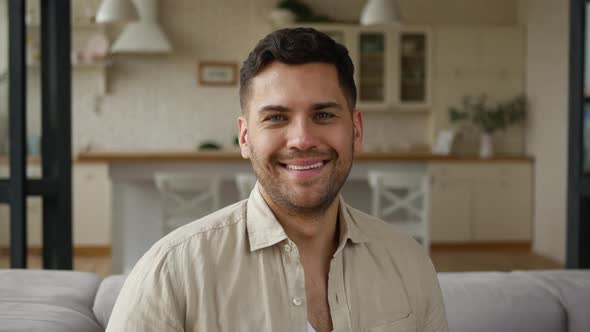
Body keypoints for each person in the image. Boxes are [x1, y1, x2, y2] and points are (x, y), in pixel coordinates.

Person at [107, 27, 448, 332]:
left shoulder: (409, 263)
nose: (301, 139)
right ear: (244, 137)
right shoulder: (170, 273)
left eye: (324, 114)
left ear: (356, 130)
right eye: (276, 117)